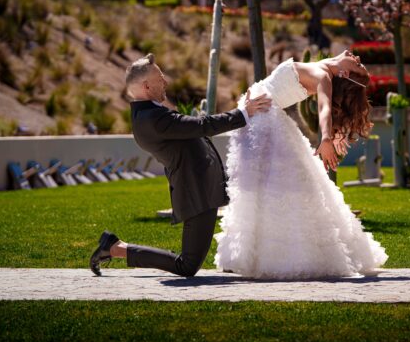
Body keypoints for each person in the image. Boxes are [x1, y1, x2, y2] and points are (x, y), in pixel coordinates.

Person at [89, 53, 272, 277]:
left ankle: (243, 259)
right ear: (146, 86)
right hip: (197, 192)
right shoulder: (151, 119)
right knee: (186, 265)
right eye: (160, 79)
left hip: (203, 186)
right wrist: (244, 113)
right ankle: (116, 249)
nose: (165, 82)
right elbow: (202, 125)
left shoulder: (149, 115)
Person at [215, 50, 388, 279]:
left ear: (345, 72)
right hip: (258, 112)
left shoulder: (323, 75)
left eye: (359, 64)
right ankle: (246, 255)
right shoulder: (322, 68)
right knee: (256, 188)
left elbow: (325, 107)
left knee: (271, 187)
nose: (357, 57)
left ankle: (280, 255)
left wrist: (326, 138)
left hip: (264, 116)